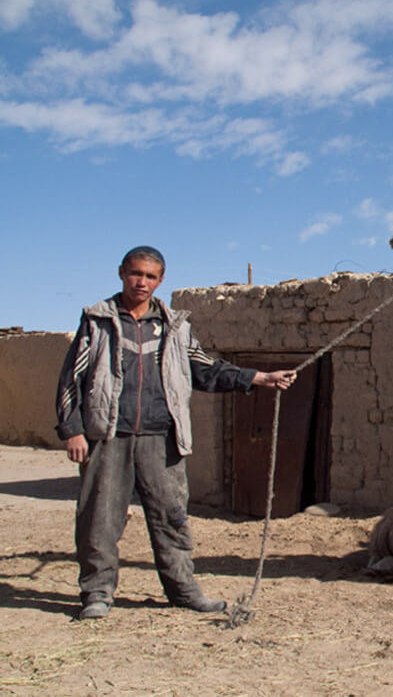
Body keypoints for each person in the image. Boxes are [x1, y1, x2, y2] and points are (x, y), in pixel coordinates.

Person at [55, 246, 297, 620]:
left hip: (162, 439)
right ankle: (97, 594)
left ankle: (183, 591)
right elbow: (72, 380)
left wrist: (260, 378)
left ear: (160, 280)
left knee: (172, 518)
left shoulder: (174, 326)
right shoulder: (97, 321)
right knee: (99, 520)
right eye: (136, 274)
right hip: (108, 436)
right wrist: (72, 431)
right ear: (121, 272)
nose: (142, 282)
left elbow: (206, 369)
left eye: (150, 277)